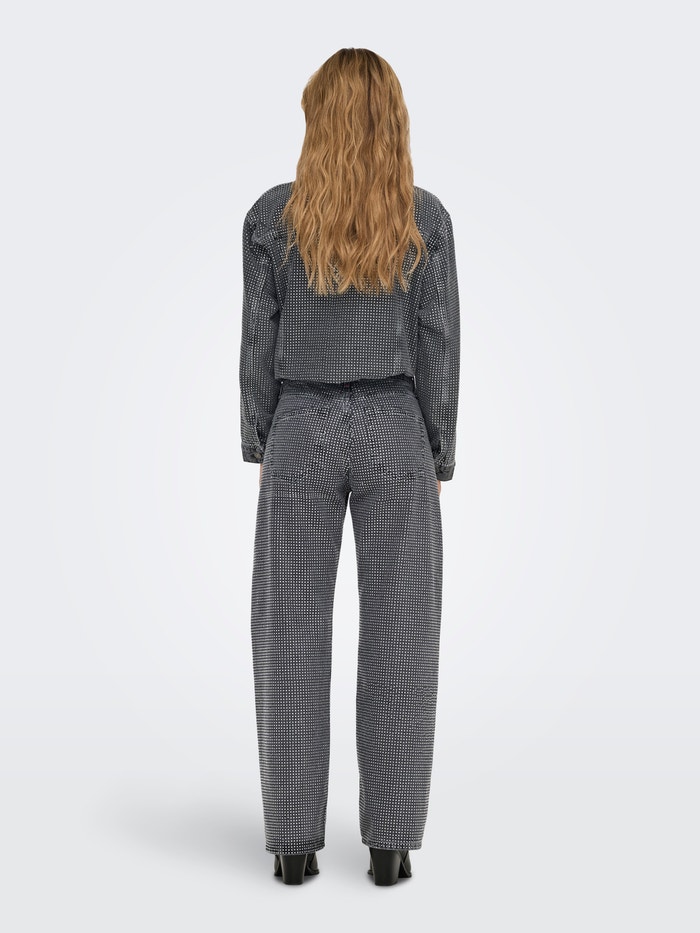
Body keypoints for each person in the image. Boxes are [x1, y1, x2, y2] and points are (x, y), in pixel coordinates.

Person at [239, 47, 460, 886]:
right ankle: (391, 845)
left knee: (288, 634)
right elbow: (439, 341)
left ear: (316, 117)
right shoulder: (424, 217)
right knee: (403, 635)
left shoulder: (271, 217)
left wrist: (261, 440)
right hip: (396, 427)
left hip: (300, 423)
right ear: (393, 120)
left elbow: (256, 342)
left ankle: (293, 845)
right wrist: (438, 446)